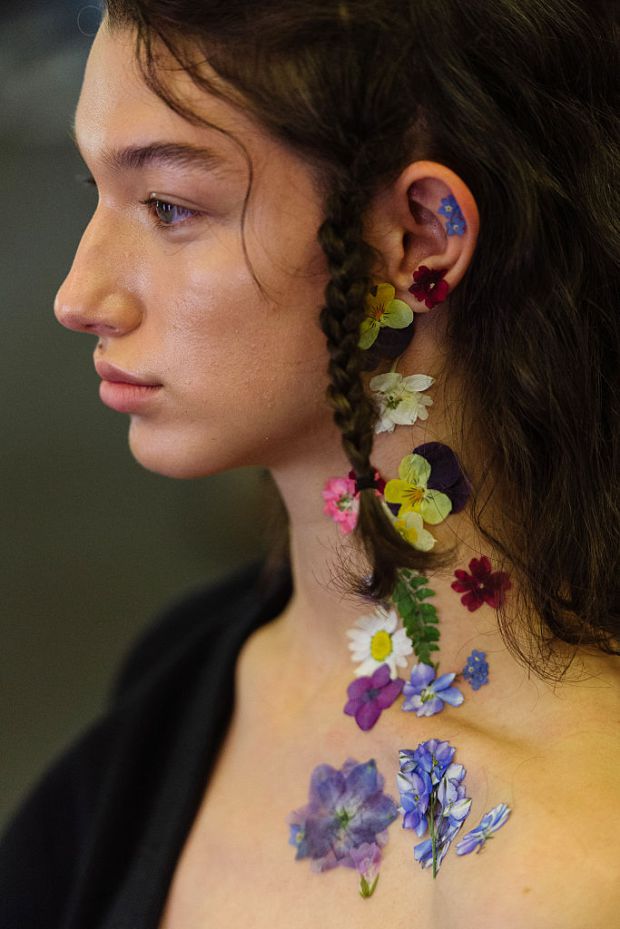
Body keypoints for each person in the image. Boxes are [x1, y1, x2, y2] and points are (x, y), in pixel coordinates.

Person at [1, 1, 619, 926]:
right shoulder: (184, 669)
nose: (78, 295)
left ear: (420, 237)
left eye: (169, 206)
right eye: (95, 190)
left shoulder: (563, 871)